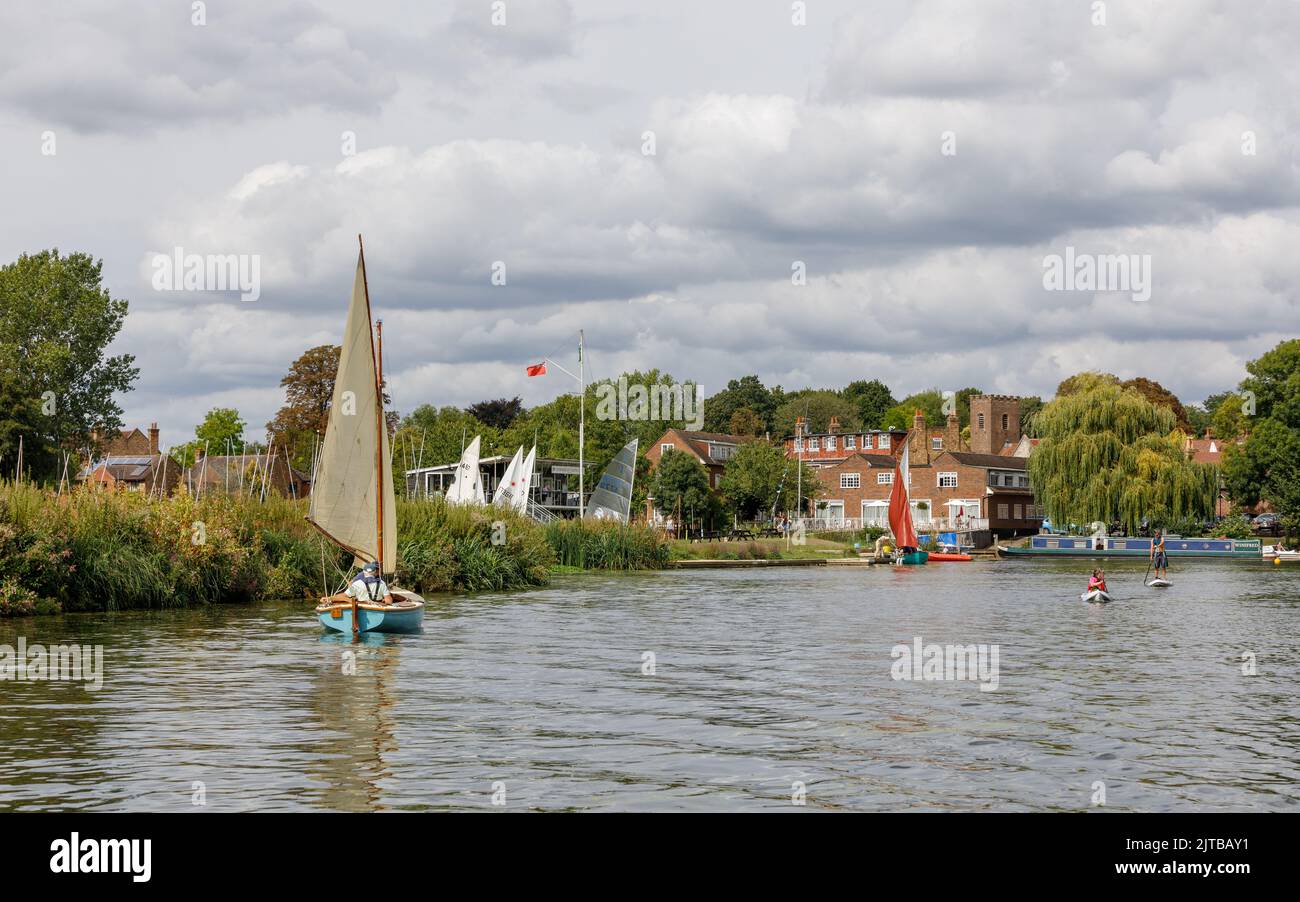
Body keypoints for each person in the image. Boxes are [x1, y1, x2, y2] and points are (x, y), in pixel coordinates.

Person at [320, 560, 394, 607]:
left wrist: (329, 598)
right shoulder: (382, 583)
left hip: (360, 607)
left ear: (364, 572)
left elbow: (344, 595)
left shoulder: (357, 584)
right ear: (375, 572)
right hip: (377, 609)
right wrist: (384, 600)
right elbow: (389, 601)